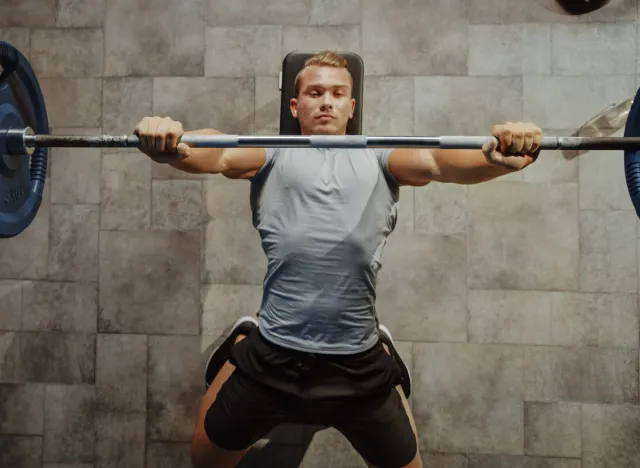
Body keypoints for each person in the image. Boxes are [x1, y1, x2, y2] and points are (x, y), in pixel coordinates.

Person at [134, 51, 542, 468]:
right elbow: (217, 152)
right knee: (205, 459)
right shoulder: (271, 153)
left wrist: (496, 158)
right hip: (275, 354)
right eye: (315, 92)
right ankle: (245, 339)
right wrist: (172, 144)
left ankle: (376, 346)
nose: (326, 101)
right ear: (296, 107)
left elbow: (439, 159)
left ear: (352, 106)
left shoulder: (379, 155)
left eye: (337, 93)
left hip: (356, 362)